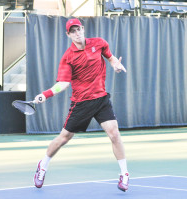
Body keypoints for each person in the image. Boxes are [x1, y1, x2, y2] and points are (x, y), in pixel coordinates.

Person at [33, 18, 129, 192]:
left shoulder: (99, 43)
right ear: (68, 35)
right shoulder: (67, 58)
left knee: (114, 134)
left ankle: (124, 174)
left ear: (83, 29)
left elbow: (110, 56)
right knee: (64, 138)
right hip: (81, 103)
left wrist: (115, 64)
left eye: (79, 30)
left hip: (101, 99)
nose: (77, 33)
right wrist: (45, 94)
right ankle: (43, 165)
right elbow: (63, 83)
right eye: (73, 31)